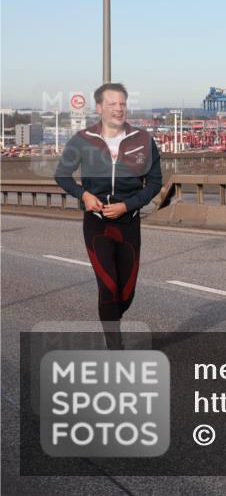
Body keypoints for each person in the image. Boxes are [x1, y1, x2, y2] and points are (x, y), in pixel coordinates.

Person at [55, 83, 163, 349]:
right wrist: (84, 195)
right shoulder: (82, 139)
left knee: (125, 293)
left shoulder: (143, 141)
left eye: (122, 104)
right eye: (112, 104)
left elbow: (154, 182)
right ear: (99, 108)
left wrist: (128, 205)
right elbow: (62, 175)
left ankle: (112, 319)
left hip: (129, 223)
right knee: (108, 285)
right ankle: (115, 347)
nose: (118, 109)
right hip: (97, 223)